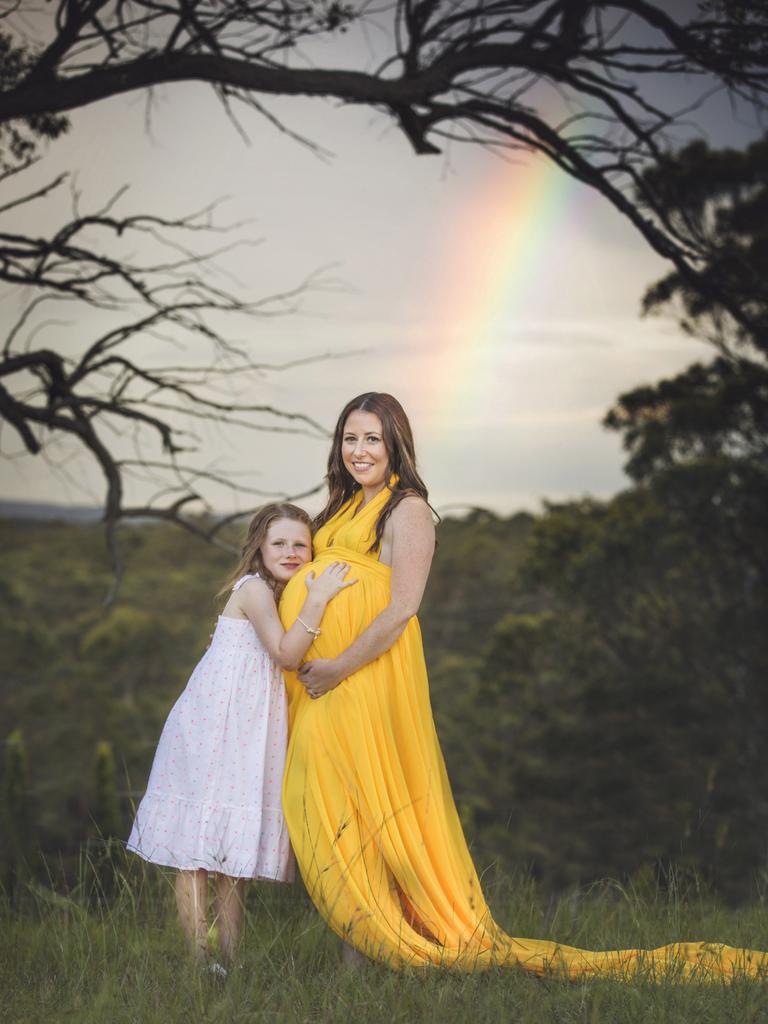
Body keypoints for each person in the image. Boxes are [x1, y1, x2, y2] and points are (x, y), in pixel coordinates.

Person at [278, 392, 768, 980]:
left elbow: (401, 609)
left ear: (396, 445)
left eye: (372, 439)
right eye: (350, 439)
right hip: (320, 684)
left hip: (364, 679)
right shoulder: (339, 508)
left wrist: (336, 666)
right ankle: (364, 947)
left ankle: (370, 956)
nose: (359, 451)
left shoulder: (407, 510)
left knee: (366, 808)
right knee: (334, 809)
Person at [127, 503, 354, 971]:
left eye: (300, 544)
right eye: (280, 543)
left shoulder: (280, 593)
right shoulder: (253, 589)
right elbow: (286, 654)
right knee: (196, 849)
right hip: (214, 724)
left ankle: (226, 960)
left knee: (233, 850)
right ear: (259, 547)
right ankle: (200, 958)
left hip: (252, 729)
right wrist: (320, 596)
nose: (291, 552)